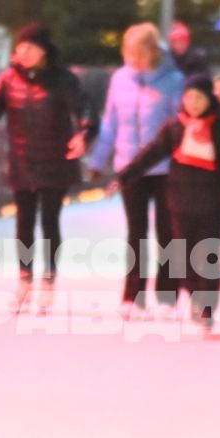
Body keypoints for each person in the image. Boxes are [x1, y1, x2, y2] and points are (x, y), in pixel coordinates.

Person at [114, 75, 220, 329]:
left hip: (212, 203)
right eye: (189, 97)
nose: (193, 103)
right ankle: (195, 295)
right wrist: (126, 175)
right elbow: (152, 153)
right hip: (180, 203)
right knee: (184, 258)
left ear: (208, 99)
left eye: (199, 98)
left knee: (208, 256)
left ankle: (207, 307)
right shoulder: (175, 127)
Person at [0, 23, 89, 314]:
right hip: (22, 160)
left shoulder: (62, 80)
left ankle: (48, 279)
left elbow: (84, 109)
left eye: (29, 48)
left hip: (54, 161)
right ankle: (24, 279)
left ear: (43, 52)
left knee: (49, 220)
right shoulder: (9, 79)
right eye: (20, 47)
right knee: (23, 221)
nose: (22, 52)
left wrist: (84, 133)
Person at [84, 23, 187, 318]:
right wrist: (96, 161)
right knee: (136, 234)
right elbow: (110, 123)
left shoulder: (174, 81)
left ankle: (167, 296)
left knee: (167, 233)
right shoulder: (120, 79)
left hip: (165, 168)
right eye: (128, 55)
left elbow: (177, 129)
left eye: (138, 55)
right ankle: (133, 296)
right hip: (130, 167)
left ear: (153, 51)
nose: (133, 62)